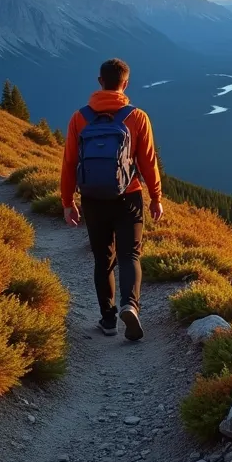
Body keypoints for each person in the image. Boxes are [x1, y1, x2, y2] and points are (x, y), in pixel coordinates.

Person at [60, 58, 164, 340]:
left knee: (103, 259)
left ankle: (108, 320)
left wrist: (67, 202)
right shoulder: (137, 117)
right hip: (128, 196)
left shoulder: (79, 117)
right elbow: (148, 162)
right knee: (130, 254)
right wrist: (156, 197)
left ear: (99, 82)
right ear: (125, 84)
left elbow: (70, 163)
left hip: (93, 198)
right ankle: (131, 305)